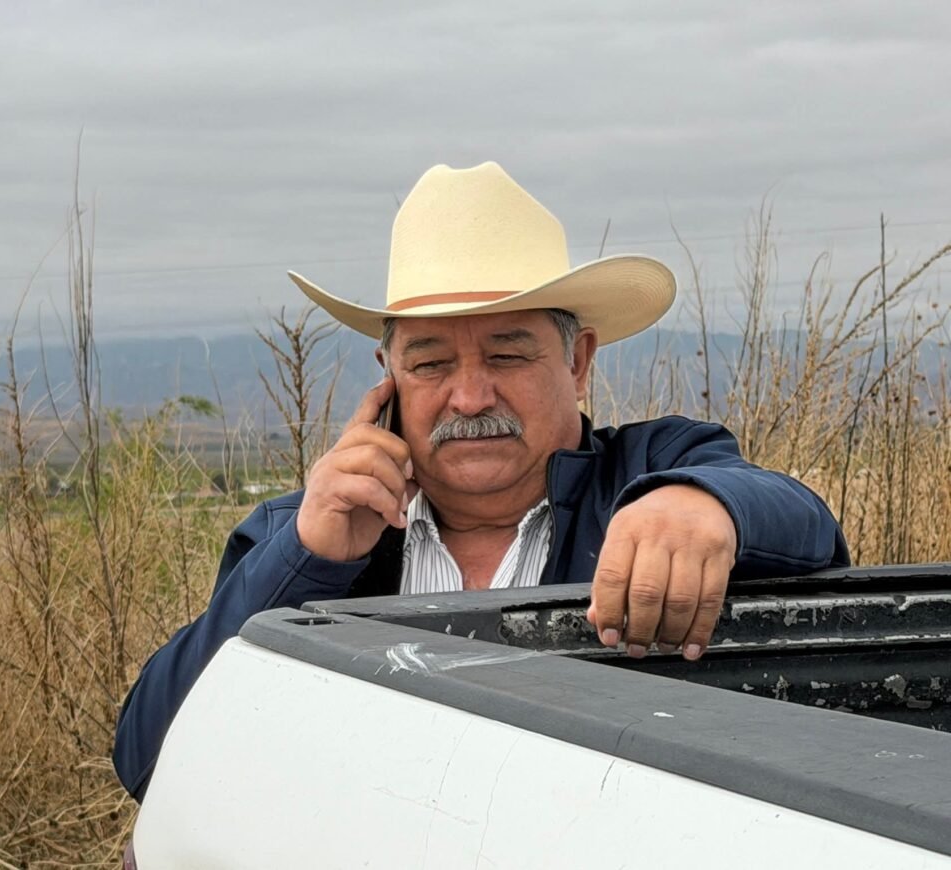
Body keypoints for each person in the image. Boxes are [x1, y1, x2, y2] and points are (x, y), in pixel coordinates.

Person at [113, 162, 850, 801]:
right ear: (390, 379)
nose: (469, 398)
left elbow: (806, 526)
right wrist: (311, 558)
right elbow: (148, 760)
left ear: (578, 361)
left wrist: (701, 507)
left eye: (507, 354)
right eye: (431, 362)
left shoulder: (658, 470)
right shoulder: (300, 533)